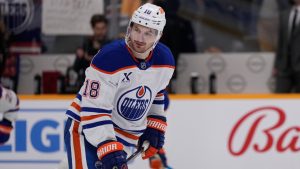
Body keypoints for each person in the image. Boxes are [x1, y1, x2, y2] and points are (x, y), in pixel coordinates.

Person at [64, 3, 175, 169]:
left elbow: (157, 93)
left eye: (148, 33)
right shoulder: (109, 58)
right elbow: (94, 109)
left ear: (158, 36)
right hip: (86, 129)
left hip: (125, 137)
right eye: (137, 29)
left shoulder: (165, 60)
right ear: (130, 27)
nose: (140, 38)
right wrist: (107, 144)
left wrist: (154, 122)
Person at [72, 14, 112, 86]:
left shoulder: (111, 45)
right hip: (87, 86)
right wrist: (79, 56)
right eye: (98, 29)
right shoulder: (86, 44)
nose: (100, 32)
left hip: (106, 86)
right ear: (93, 29)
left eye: (103, 28)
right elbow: (76, 68)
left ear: (106, 28)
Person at [274, 0, 300, 93]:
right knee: (279, 97)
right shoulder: (284, 14)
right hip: (284, 67)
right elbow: (281, 42)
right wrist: (276, 65)